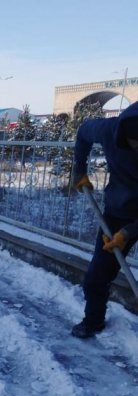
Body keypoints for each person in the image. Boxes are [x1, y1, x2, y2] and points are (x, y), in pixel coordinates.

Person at [70, 101, 138, 338]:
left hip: (130, 221)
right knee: (96, 277)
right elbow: (82, 132)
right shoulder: (110, 129)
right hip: (117, 214)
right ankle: (93, 321)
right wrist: (79, 170)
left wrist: (130, 232)